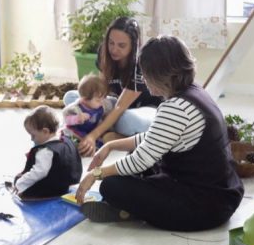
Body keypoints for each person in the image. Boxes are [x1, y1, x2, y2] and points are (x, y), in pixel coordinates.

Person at [74, 36, 244, 231]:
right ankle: (132, 209)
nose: (144, 81)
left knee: (111, 186)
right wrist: (110, 146)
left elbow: (142, 159)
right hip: (221, 194)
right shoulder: (195, 91)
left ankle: (132, 210)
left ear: (160, 74)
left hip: (205, 208)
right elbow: (155, 139)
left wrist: (96, 174)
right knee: (132, 162)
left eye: (146, 74)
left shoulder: (176, 107)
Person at [63, 17, 163, 157]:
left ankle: (116, 137)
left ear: (133, 46)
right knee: (72, 97)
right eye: (111, 43)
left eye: (121, 45)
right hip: (117, 102)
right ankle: (108, 132)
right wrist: (92, 104)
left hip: (145, 108)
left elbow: (120, 107)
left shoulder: (141, 63)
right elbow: (102, 91)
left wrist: (92, 135)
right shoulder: (104, 54)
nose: (114, 49)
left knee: (127, 120)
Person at [14, 106, 82, 199]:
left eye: (33, 135)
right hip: (67, 184)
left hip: (52, 190)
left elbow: (39, 172)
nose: (31, 139)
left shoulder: (45, 151)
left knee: (18, 179)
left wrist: (19, 184)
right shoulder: (65, 139)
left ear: (45, 131)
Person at [61, 73, 115, 146]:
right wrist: (77, 119)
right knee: (69, 136)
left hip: (91, 131)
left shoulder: (102, 106)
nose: (102, 102)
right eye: (98, 100)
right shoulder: (76, 108)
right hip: (77, 131)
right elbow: (66, 119)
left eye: (103, 98)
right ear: (84, 100)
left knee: (100, 142)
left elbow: (107, 113)